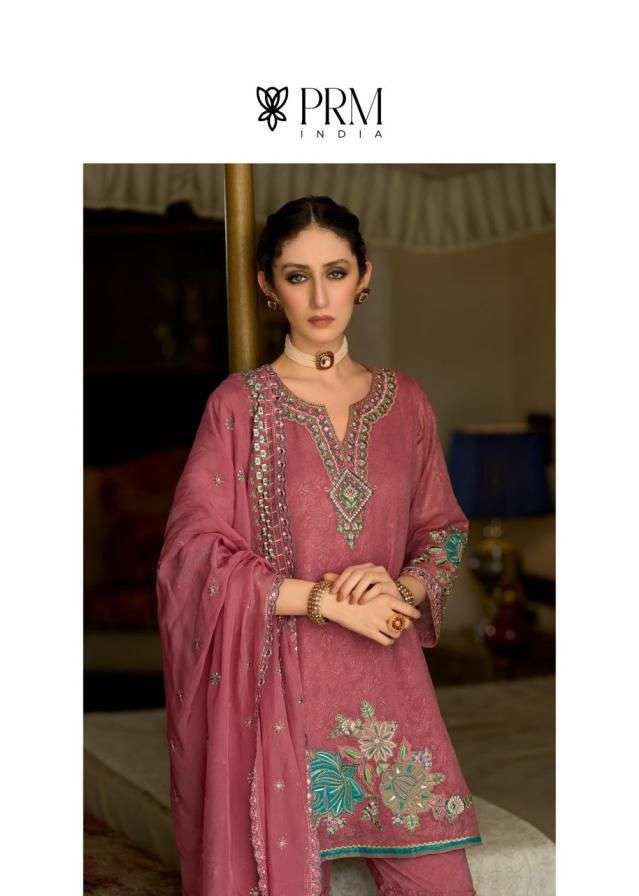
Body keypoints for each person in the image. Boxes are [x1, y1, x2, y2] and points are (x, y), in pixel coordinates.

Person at [156, 196, 482, 896]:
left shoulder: (405, 402)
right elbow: (192, 554)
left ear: (363, 277)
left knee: (440, 883)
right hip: (282, 690)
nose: (319, 295)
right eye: (297, 276)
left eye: (335, 272)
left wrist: (402, 588)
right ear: (267, 286)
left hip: (390, 687)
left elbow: (443, 532)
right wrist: (327, 602)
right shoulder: (240, 405)